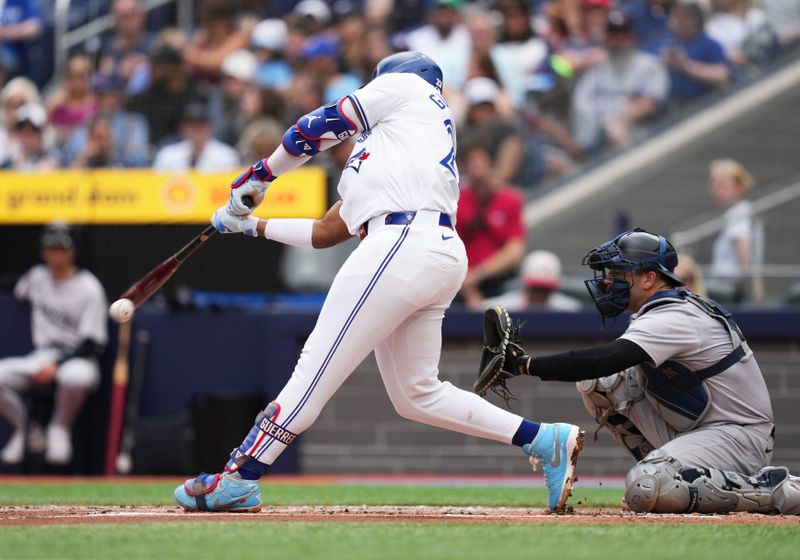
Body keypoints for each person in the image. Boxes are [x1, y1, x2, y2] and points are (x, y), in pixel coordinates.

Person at [173, 51, 585, 513]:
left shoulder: (410, 87)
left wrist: (262, 173)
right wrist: (250, 225)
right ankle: (544, 439)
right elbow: (327, 232)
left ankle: (240, 475)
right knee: (417, 394)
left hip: (402, 242)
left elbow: (315, 126)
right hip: (427, 248)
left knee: (314, 368)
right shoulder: (392, 151)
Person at [475, 228, 800, 515]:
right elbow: (604, 371)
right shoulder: (658, 310)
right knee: (600, 385)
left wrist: (525, 365)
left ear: (649, 278)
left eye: (618, 272)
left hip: (737, 436)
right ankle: (663, 472)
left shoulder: (675, 316)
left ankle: (772, 488)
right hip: (699, 428)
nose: (607, 280)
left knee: (645, 486)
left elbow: (607, 357)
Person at [0, 223, 107, 466]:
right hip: (42, 355)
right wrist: (48, 363)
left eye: (62, 248)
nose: (56, 253)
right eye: (52, 248)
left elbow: (93, 344)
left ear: (74, 252)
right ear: (44, 251)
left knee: (75, 377)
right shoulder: (37, 277)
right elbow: (12, 285)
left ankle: (59, 427)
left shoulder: (89, 287)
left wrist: (56, 365)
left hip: (78, 358)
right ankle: (28, 429)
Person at [571, 10, 669, 153]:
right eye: (612, 34)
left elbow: (650, 103)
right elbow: (582, 105)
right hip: (600, 136)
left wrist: (618, 121)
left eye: (621, 33)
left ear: (631, 36)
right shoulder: (596, 69)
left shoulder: (649, 65)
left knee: (616, 131)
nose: (617, 39)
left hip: (645, 132)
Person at [455, 143, 526, 308]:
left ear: (491, 165)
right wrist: (466, 286)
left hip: (498, 281)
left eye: (481, 160)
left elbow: (515, 249)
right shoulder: (456, 201)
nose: (476, 166)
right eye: (471, 161)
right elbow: (448, 245)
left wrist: (479, 274)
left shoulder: (510, 200)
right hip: (461, 282)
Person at [707, 158, 764, 303]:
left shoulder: (739, 215)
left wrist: (747, 294)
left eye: (722, 185)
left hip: (729, 292)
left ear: (739, 187)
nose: (716, 190)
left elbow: (744, 252)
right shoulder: (737, 213)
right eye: (715, 184)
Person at [151, 97, 240, 172]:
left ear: (210, 128)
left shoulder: (226, 156)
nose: (196, 131)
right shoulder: (168, 155)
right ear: (183, 129)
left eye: (201, 126)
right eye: (192, 127)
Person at [484, 250, 584, 312]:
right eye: (535, 289)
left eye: (545, 290)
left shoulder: (569, 309)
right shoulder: (501, 309)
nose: (539, 294)